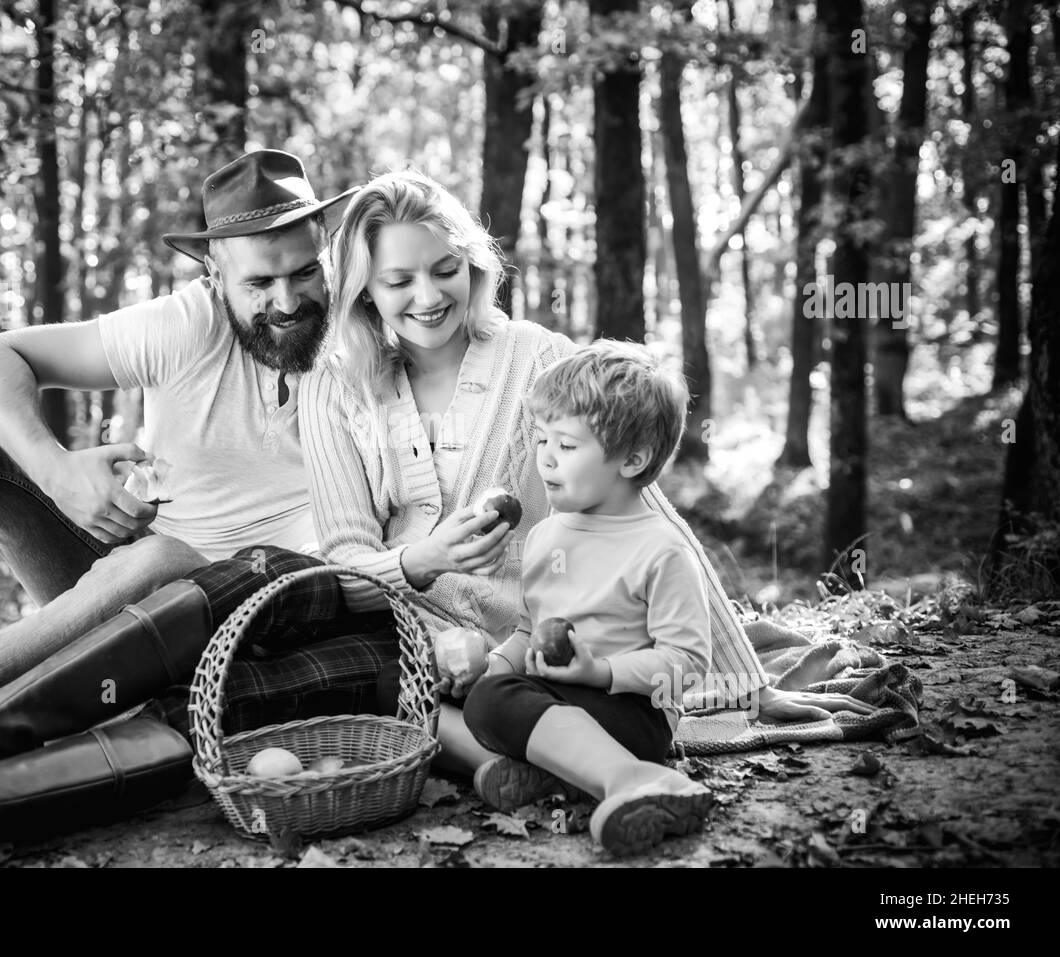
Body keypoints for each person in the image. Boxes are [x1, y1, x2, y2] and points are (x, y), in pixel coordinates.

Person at [0, 153, 406, 863]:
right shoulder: (186, 326)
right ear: (215, 276)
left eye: (304, 272)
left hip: (232, 641)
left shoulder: (370, 341)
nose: (287, 301)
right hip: (110, 599)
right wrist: (59, 472)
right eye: (259, 282)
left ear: (328, 256)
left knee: (165, 557)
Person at [300, 170, 874, 801]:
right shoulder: (335, 386)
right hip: (409, 629)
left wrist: (746, 683)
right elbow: (342, 559)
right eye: (398, 280)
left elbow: (641, 509)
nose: (429, 295)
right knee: (370, 677)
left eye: (445, 269)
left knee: (495, 691)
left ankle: (534, 760)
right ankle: (522, 766)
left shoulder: (536, 359)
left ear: (472, 264)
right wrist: (421, 560)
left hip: (535, 637)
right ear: (362, 292)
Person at [463, 340, 715, 857]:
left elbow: (688, 664)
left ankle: (635, 778)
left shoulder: (661, 549)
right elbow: (528, 633)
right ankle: (554, 773)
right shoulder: (545, 536)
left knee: (494, 704)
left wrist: (600, 672)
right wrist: (491, 665)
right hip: (554, 701)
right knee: (429, 690)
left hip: (631, 715)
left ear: (633, 459)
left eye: (568, 446)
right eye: (541, 440)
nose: (546, 459)